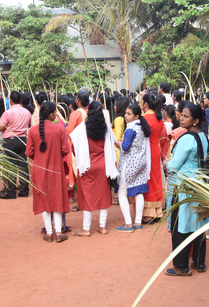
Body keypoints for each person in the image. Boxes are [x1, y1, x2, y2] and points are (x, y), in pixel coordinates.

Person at [163, 104, 209, 276]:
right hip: (198, 185)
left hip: (183, 186)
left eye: (186, 116)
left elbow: (174, 165)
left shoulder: (186, 138)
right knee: (198, 223)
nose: (181, 118)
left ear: (195, 120)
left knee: (180, 224)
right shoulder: (203, 136)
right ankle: (199, 262)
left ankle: (181, 265)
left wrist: (166, 164)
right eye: (181, 115)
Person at [69, 101, 119, 236]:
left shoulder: (82, 128)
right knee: (103, 195)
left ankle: (86, 229)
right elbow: (112, 144)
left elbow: (73, 147)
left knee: (87, 195)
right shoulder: (106, 127)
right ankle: (102, 227)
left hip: (87, 166)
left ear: (88, 112)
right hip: (103, 165)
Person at [26, 101, 70, 243]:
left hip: (39, 170)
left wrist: (39, 157)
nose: (56, 115)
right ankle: (58, 232)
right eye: (55, 112)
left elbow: (29, 152)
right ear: (51, 115)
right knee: (57, 197)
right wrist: (55, 153)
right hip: (56, 169)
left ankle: (49, 232)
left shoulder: (33, 131)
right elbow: (66, 150)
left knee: (43, 199)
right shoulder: (59, 129)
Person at [115, 104, 151, 232]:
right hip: (140, 163)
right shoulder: (141, 127)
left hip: (129, 164)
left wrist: (117, 143)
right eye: (126, 113)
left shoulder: (130, 129)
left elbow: (125, 147)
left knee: (122, 193)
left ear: (136, 116)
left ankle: (128, 223)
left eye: (129, 114)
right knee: (138, 192)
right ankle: (137, 221)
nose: (126, 116)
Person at [0, 91, 32, 199]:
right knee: (23, 166)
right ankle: (24, 190)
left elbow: (1, 128)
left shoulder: (7, 113)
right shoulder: (27, 112)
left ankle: (11, 192)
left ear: (10, 101)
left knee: (10, 166)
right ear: (20, 100)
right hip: (23, 140)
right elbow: (29, 125)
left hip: (10, 141)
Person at [141, 92, 166, 222]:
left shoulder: (145, 118)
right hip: (156, 149)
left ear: (145, 104)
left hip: (146, 150)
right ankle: (157, 211)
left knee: (148, 179)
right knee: (155, 178)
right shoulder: (159, 118)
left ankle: (148, 213)